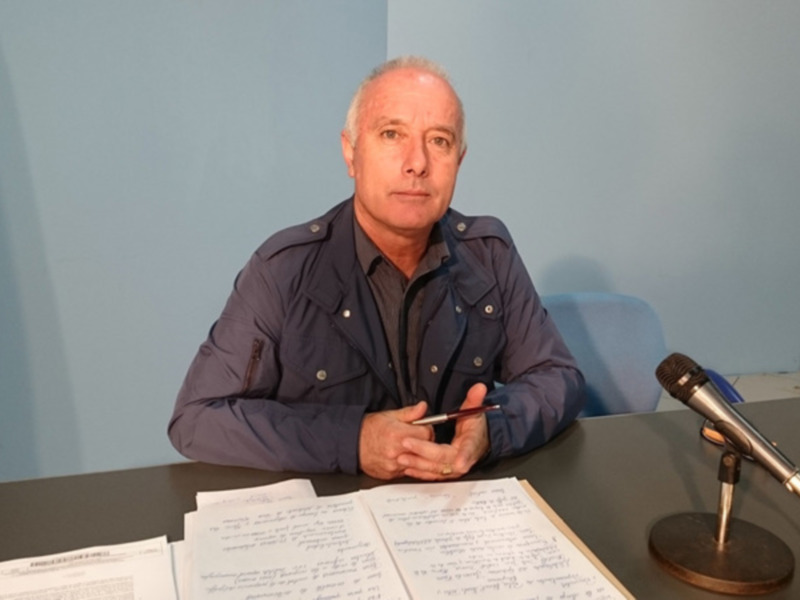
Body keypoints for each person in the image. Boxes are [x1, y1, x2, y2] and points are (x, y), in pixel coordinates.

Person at [168, 56, 584, 481]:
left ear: (459, 160)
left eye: (439, 141)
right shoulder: (284, 269)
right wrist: (352, 441)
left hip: (455, 503)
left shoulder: (489, 252)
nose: (417, 162)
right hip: (332, 510)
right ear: (351, 153)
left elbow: (557, 377)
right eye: (391, 134)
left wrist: (491, 430)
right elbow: (198, 418)